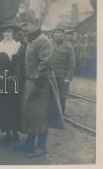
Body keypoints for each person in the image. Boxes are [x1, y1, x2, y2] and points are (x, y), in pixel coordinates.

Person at [14, 11, 65, 158]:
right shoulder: (32, 40)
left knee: (41, 115)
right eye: (22, 24)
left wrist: (37, 84)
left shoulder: (42, 40)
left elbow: (45, 64)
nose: (23, 28)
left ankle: (41, 147)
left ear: (35, 24)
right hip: (31, 82)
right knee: (31, 115)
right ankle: (29, 144)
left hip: (41, 84)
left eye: (26, 24)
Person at [0, 18, 22, 143]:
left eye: (10, 32)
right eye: (5, 32)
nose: (7, 34)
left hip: (14, 80)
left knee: (14, 105)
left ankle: (15, 130)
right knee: (3, 105)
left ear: (13, 34)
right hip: (1, 80)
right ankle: (6, 130)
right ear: (2, 34)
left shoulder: (18, 46)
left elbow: (21, 64)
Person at [51, 26, 76, 114]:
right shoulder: (52, 44)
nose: (57, 35)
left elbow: (72, 64)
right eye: (55, 33)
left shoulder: (68, 46)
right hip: (52, 75)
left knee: (62, 97)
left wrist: (68, 78)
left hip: (63, 77)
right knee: (53, 95)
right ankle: (53, 115)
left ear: (63, 35)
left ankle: (61, 115)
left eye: (59, 33)